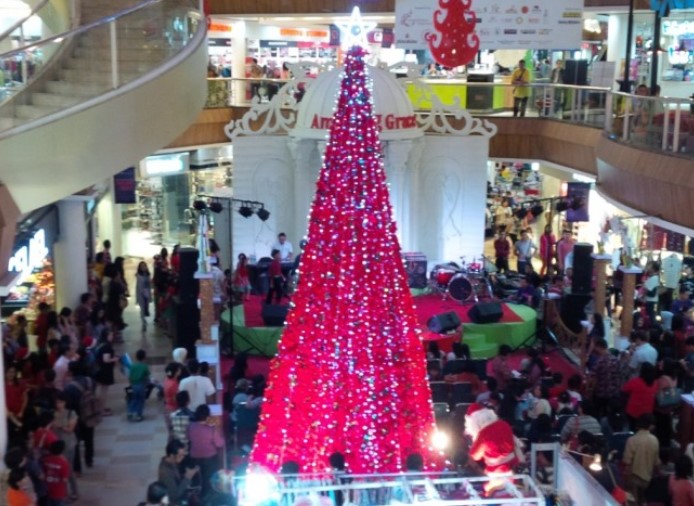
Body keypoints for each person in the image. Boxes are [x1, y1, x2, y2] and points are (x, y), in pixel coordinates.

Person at [465, 403, 519, 493]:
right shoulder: (504, 424)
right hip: (513, 468)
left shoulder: (484, 433)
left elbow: (475, 455)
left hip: (496, 473)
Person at [187, 404, 225, 499]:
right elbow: (220, 444)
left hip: (194, 457)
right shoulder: (211, 429)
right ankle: (208, 498)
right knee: (209, 480)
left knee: (200, 480)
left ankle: (199, 496)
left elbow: (188, 438)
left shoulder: (190, 426)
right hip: (209, 458)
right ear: (208, 416)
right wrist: (218, 429)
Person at [623, 414, 660, 506]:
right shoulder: (655, 440)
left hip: (633, 478)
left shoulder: (632, 440)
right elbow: (656, 462)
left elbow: (627, 461)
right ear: (650, 426)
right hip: (647, 480)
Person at [158, 439, 198, 506]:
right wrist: (187, 477)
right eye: (180, 456)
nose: (182, 457)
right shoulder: (165, 473)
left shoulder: (172, 462)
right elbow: (174, 495)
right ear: (172, 456)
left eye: (183, 455)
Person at [622, 362, 658, 430]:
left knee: (632, 428)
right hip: (647, 413)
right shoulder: (655, 383)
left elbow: (624, 389)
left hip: (634, 412)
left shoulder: (635, 382)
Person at [94, 328, 118, 416]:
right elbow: (106, 359)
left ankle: (101, 407)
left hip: (100, 369)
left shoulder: (101, 344)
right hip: (105, 371)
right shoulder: (107, 347)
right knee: (103, 391)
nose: (112, 336)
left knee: (102, 390)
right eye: (111, 335)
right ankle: (101, 410)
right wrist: (114, 359)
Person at [42, 440, 70, 506]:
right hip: (59, 491)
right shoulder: (64, 463)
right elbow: (65, 479)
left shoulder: (46, 459)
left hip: (47, 489)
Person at [128, 349, 151, 422]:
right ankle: (139, 415)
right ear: (144, 358)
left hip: (134, 385)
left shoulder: (132, 366)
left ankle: (130, 412)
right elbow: (147, 376)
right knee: (141, 400)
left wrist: (131, 384)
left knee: (134, 399)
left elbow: (130, 376)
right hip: (141, 385)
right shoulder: (144, 367)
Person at [136, 261, 152, 333]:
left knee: (146, 307)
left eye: (144, 266)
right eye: (142, 266)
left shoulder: (148, 275)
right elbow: (139, 286)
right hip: (141, 294)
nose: (143, 267)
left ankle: (144, 320)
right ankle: (143, 323)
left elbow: (149, 284)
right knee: (142, 309)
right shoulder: (139, 275)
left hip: (147, 293)